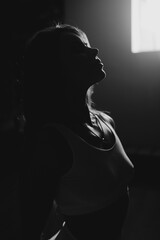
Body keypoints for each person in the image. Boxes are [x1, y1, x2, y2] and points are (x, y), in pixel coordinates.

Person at [22, 23, 134, 240]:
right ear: (54, 69)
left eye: (88, 45)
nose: (94, 51)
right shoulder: (53, 142)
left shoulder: (105, 121)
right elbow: (31, 226)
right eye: (78, 49)